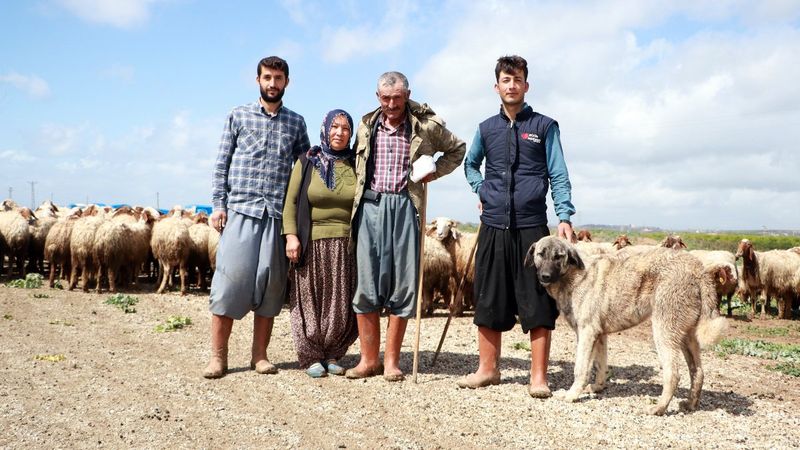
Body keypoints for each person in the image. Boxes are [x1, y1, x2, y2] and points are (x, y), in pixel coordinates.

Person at [459, 55, 576, 397]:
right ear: (497, 86)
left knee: (538, 300)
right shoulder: (486, 128)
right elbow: (470, 165)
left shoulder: (544, 126)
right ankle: (487, 369)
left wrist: (564, 215)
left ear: (526, 85)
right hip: (493, 225)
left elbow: (558, 173)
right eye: (506, 80)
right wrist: (481, 189)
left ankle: (538, 377)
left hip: (532, 229)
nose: (512, 85)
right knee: (487, 297)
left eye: (517, 79)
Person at [346, 71, 466, 381]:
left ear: (407, 94)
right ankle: (368, 360)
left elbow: (458, 149)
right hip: (370, 206)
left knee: (402, 285)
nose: (391, 104)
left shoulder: (425, 126)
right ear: (377, 97)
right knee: (367, 284)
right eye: (385, 99)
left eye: (397, 98)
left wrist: (433, 172)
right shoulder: (365, 126)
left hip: (405, 206)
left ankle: (391, 363)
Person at [204, 56, 310, 379]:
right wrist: (217, 204)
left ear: (287, 83)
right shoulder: (238, 116)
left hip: (277, 215)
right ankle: (218, 357)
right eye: (267, 77)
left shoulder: (296, 123)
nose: (272, 83)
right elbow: (222, 162)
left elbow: (305, 169)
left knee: (271, 286)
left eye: (278, 78)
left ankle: (259, 356)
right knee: (229, 283)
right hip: (241, 210)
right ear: (257, 80)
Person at [282, 109, 359, 378]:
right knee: (309, 299)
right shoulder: (307, 162)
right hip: (311, 240)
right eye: (334, 127)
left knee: (340, 300)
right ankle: (311, 354)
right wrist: (291, 235)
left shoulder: (356, 164)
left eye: (345, 128)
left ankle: (334, 352)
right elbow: (291, 202)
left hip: (345, 244)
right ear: (325, 129)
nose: (339, 133)